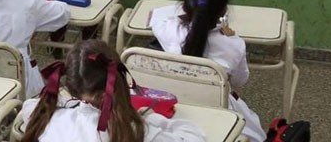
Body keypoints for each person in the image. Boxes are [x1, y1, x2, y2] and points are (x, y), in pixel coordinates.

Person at [149, 0, 265, 142]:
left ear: (185, 6)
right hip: (218, 108)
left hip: (175, 106)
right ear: (224, 9)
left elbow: (155, 18)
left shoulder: (170, 30)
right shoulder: (233, 45)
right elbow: (240, 81)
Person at [20, 39, 205, 142]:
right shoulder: (135, 132)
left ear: (71, 87)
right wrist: (150, 118)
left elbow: (29, 106)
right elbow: (196, 138)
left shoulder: (46, 118)